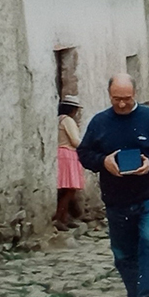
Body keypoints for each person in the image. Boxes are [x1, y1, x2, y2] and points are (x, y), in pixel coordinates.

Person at [78, 74, 149, 297]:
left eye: (126, 98)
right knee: (123, 251)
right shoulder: (100, 122)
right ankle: (135, 296)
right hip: (116, 198)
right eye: (116, 99)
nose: (121, 104)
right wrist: (104, 162)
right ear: (109, 95)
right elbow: (84, 153)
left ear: (135, 94)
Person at [55, 95, 84, 232]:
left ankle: (65, 216)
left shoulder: (59, 120)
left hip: (61, 153)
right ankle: (60, 218)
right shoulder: (68, 121)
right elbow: (74, 140)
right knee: (70, 189)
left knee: (65, 189)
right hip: (68, 155)